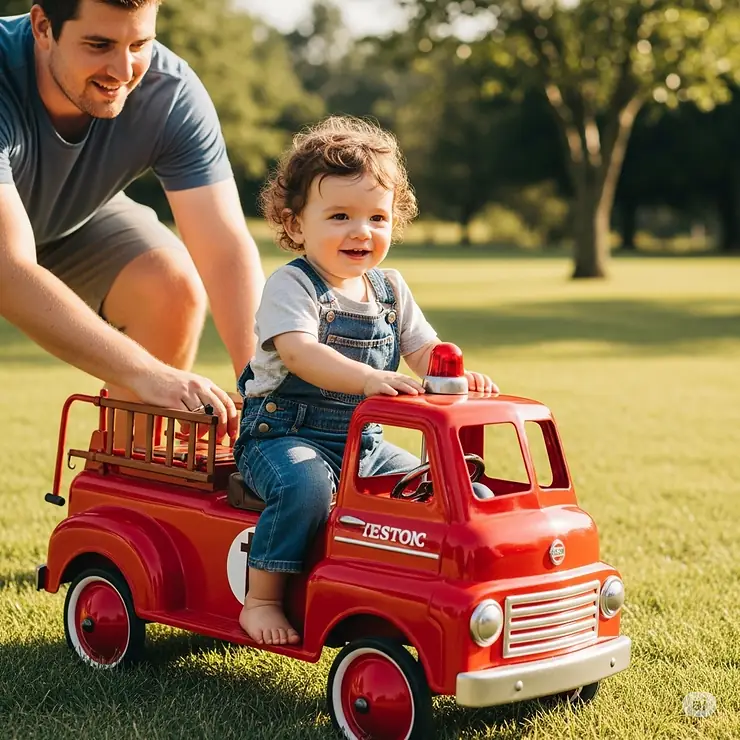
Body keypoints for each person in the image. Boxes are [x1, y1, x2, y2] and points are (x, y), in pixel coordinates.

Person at [233, 115, 497, 646]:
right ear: (297, 223)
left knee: (435, 488)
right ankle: (261, 598)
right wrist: (368, 379)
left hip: (363, 447)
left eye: (377, 217)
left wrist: (454, 376)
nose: (361, 231)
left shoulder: (390, 289)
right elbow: (300, 353)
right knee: (305, 488)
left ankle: (446, 587)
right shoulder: (292, 285)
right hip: (284, 438)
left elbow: (422, 349)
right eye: (339, 216)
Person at [0, 0, 265, 439]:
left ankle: (127, 488)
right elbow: (8, 270)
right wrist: (149, 372)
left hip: (65, 219)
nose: (123, 70)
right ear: (44, 26)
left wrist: (267, 386)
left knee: (169, 287)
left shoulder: (170, 91)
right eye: (99, 44)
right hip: (9, 248)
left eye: (140, 43)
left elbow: (223, 249)